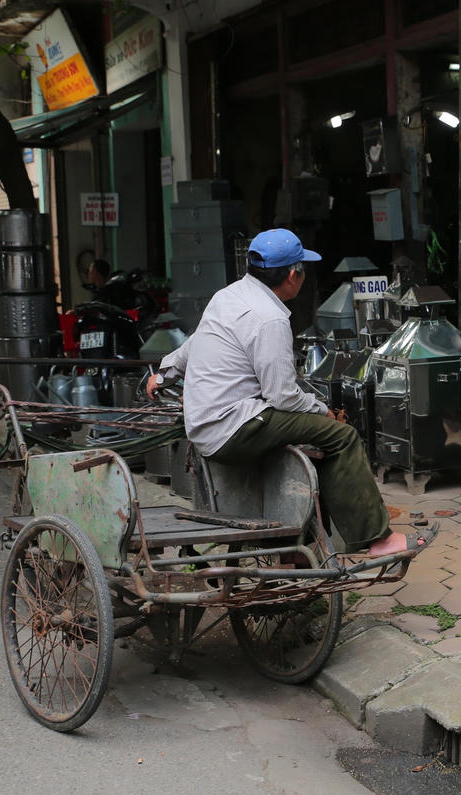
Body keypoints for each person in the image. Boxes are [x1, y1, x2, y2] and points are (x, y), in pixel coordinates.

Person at [146, 229, 409, 556]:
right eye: (302, 269)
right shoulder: (269, 318)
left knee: (314, 425)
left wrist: (164, 373)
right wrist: (322, 410)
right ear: (292, 275)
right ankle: (377, 539)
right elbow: (281, 396)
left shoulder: (228, 295)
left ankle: (316, 523)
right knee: (341, 436)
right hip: (232, 427)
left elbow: (194, 343)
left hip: (205, 424)